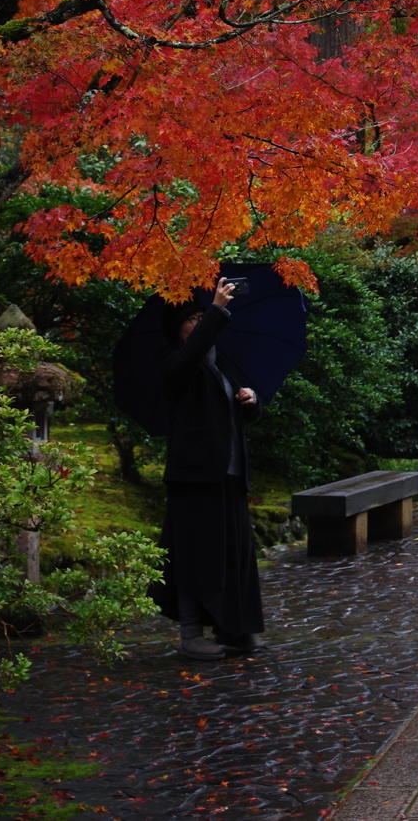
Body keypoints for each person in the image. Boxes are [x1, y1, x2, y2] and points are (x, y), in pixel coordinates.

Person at [150, 276, 266, 661]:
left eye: (203, 318)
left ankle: (236, 630)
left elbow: (228, 423)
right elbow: (189, 359)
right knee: (194, 555)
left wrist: (250, 403)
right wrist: (216, 310)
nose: (199, 325)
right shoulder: (175, 364)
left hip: (228, 476)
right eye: (192, 319)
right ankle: (190, 634)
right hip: (195, 476)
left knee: (234, 556)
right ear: (177, 328)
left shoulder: (219, 370)